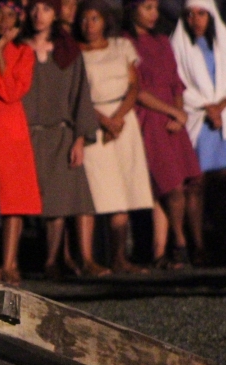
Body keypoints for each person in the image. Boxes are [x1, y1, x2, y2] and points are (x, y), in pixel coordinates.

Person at [22, 0, 105, 278]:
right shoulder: (19, 47)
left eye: (45, 8)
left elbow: (81, 94)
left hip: (61, 133)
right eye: (34, 8)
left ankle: (78, 260)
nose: (38, 15)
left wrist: (80, 138)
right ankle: (47, 260)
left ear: (55, 13)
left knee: (70, 198)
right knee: (38, 201)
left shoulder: (67, 49)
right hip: (28, 134)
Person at [78, 0, 154, 273]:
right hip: (94, 118)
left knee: (123, 187)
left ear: (105, 21)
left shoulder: (121, 46)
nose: (89, 25)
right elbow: (79, 94)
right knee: (95, 189)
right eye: (85, 19)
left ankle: (119, 257)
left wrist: (118, 118)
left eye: (94, 19)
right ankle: (88, 258)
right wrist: (104, 121)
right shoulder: (77, 53)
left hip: (123, 119)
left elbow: (134, 85)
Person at [124, 0, 201, 269]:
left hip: (172, 120)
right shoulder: (125, 42)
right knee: (171, 184)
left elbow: (176, 83)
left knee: (170, 187)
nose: (153, 14)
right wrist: (172, 111)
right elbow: (138, 90)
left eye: (155, 8)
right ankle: (180, 243)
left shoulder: (163, 42)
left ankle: (160, 251)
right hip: (150, 118)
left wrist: (178, 114)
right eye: (146, 7)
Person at [171, 0, 226, 266]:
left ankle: (224, 246)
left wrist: (220, 106)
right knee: (196, 184)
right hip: (198, 119)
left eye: (202, 14)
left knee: (223, 185)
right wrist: (207, 107)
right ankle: (199, 247)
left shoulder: (225, 45)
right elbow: (178, 82)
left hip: (222, 120)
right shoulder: (179, 45)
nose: (196, 20)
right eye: (190, 15)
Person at [0, 0, 42, 285]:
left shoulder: (24, 51)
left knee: (14, 198)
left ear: (19, 21)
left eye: (10, 15)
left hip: (10, 127)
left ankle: (9, 263)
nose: (4, 20)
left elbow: (12, 90)